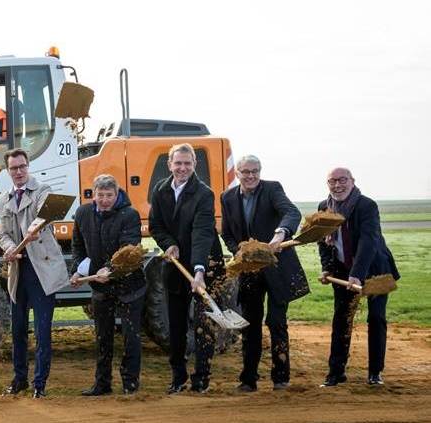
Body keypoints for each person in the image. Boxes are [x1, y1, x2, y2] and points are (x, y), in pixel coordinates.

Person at [220, 155, 308, 392]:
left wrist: (280, 234)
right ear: (236, 173)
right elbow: (227, 232)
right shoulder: (227, 197)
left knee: (276, 322)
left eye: (255, 171)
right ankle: (248, 379)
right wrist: (239, 249)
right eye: (245, 171)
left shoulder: (272, 189)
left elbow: (292, 212)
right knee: (251, 324)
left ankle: (281, 377)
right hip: (250, 271)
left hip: (276, 267)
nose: (250, 176)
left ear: (260, 171)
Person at [148, 143, 225, 394]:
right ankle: (178, 376)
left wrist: (200, 270)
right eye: (178, 163)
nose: (182, 168)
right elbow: (156, 226)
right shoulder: (160, 190)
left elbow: (202, 232)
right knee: (177, 324)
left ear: (194, 165)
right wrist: (168, 244)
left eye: (187, 163)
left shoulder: (204, 193)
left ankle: (201, 377)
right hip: (176, 265)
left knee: (204, 323)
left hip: (206, 263)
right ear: (169, 164)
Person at [0, 148, 69, 399]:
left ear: (28, 167)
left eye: (22, 167)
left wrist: (36, 226)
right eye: (13, 168)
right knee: (17, 329)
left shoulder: (42, 190)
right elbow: (2, 232)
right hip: (19, 270)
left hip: (42, 269)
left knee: (42, 330)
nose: (18, 172)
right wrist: (8, 249)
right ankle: (19, 380)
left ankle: (40, 384)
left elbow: (43, 215)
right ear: (8, 171)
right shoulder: (3, 199)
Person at [317, 167, 400, 387]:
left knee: (376, 318)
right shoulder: (324, 207)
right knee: (341, 319)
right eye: (332, 181)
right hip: (343, 271)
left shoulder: (366, 205)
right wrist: (327, 268)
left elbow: (368, 241)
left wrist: (357, 274)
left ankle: (375, 373)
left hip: (377, 270)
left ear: (352, 181)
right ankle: (335, 373)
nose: (337, 185)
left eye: (342, 180)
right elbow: (321, 240)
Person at [69, 174, 146, 396]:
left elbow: (129, 250)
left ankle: (130, 383)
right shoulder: (83, 213)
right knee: (103, 335)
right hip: (101, 288)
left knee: (131, 336)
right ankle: (102, 383)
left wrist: (110, 271)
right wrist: (79, 270)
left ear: (117, 194)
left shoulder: (129, 215)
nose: (104, 200)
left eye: (109, 195)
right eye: (100, 195)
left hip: (130, 286)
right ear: (93, 194)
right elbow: (78, 246)